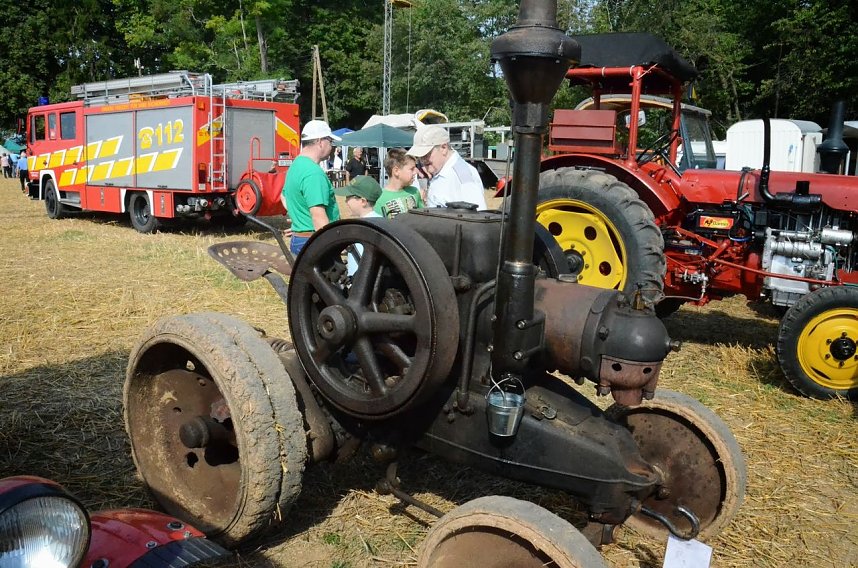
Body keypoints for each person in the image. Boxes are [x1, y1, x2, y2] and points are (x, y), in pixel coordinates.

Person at [281, 120, 341, 255]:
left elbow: (284, 196)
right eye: (330, 141)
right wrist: (331, 248)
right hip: (313, 241)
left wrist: (300, 222)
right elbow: (318, 216)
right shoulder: (313, 172)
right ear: (320, 142)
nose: (331, 146)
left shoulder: (296, 165)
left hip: (301, 239)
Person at [407, 125, 486, 210]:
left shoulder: (463, 175)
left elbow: (479, 216)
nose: (422, 160)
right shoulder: (441, 170)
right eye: (420, 156)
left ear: (443, 148)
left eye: (426, 154)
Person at [334, 175, 382, 276]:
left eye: (349, 197)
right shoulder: (381, 221)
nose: (346, 201)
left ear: (363, 201)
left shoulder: (362, 228)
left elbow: (360, 264)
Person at [375, 148, 424, 219]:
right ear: (396, 171)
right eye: (411, 169)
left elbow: (422, 218)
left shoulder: (415, 192)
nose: (415, 172)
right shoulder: (379, 199)